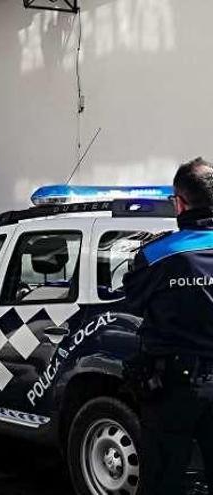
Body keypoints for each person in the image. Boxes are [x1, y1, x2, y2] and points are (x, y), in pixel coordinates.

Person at [124, 157, 213, 494]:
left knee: (163, 480)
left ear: (179, 203)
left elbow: (132, 300)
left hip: (173, 387)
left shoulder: (155, 256)